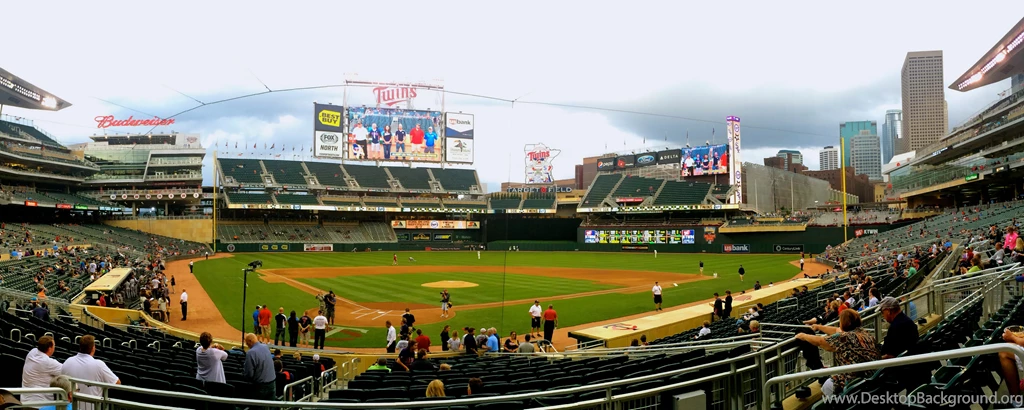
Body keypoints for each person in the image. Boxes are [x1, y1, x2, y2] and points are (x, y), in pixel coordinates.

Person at [794, 309, 880, 396]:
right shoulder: (863, 332)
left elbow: (821, 341)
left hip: (856, 380)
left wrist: (803, 336)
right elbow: (836, 330)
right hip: (872, 375)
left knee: (827, 386)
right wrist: (819, 327)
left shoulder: (845, 337)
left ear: (846, 322)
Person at [61, 335, 119, 410]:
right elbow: (117, 383)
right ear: (93, 348)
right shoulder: (99, 364)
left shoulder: (68, 361)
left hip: (71, 407)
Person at [21, 336, 62, 404]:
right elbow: (67, 371)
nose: (54, 347)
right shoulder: (47, 362)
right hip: (40, 403)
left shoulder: (32, 352)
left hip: (25, 400)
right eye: (54, 346)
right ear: (49, 348)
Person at [243, 333, 277, 405]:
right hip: (272, 383)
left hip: (260, 386)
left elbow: (249, 374)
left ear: (250, 341)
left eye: (247, 343)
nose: (247, 345)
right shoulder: (265, 347)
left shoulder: (251, 353)